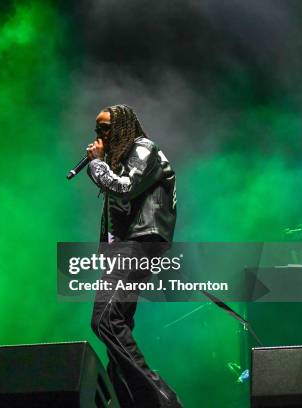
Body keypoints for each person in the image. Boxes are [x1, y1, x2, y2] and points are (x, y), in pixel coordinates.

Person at [85, 104, 181, 408]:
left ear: (123, 126)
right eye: (97, 129)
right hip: (125, 248)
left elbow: (124, 188)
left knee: (104, 320)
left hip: (141, 243)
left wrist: (97, 165)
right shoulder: (122, 158)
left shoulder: (144, 148)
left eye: (105, 128)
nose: (100, 135)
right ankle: (133, 402)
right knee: (117, 326)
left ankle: (163, 401)